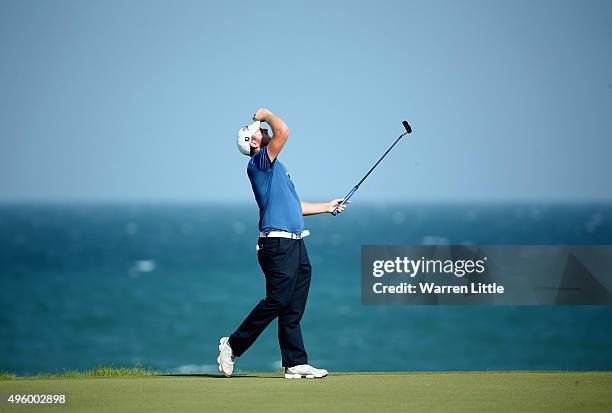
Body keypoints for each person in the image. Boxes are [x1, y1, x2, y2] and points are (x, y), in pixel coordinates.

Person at [217, 108, 349, 379]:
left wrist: (326, 206)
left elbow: (293, 206)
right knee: (278, 299)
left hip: (296, 244)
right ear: (254, 143)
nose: (264, 131)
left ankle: (295, 363)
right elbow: (284, 132)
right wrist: (265, 113)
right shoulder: (259, 163)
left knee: (293, 306)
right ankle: (232, 344)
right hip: (276, 245)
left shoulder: (277, 167)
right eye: (259, 131)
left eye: (263, 128)